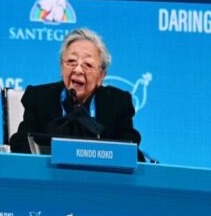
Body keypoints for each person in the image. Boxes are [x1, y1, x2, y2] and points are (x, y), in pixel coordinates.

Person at [9, 28, 142, 157]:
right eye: (71, 61)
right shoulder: (38, 98)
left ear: (101, 76)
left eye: (88, 65)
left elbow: (130, 152)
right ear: (62, 66)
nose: (78, 70)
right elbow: (21, 145)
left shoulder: (118, 102)